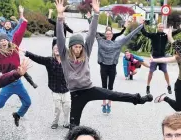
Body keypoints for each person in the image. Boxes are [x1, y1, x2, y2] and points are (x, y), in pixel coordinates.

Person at [55, 0, 153, 129]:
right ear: (71, 47)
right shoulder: (64, 55)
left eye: (80, 47)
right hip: (76, 94)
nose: (78, 49)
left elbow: (91, 35)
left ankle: (138, 99)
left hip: (89, 89)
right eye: (75, 47)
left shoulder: (86, 52)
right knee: (74, 126)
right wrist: (60, 17)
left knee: (112, 94)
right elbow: (60, 38)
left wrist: (96, 13)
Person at [0, 5, 38, 88]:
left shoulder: (13, 32)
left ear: (11, 25)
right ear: (4, 25)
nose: (8, 25)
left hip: (12, 53)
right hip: (3, 53)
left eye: (9, 24)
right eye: (6, 24)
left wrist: (21, 13)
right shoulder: (1, 31)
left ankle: (31, 82)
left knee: (19, 67)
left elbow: (20, 23)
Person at [96, 22, 143, 114]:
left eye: (110, 34)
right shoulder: (101, 41)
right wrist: (90, 18)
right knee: (104, 86)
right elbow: (93, 29)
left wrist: (141, 26)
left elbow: (130, 35)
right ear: (105, 35)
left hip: (112, 67)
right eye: (107, 34)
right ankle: (104, 103)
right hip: (103, 66)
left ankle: (109, 103)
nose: (108, 35)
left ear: (112, 35)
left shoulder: (118, 43)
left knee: (110, 86)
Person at [25, 45, 71, 129]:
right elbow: (38, 58)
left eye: (59, 48)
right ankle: (55, 122)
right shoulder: (49, 60)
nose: (57, 49)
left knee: (67, 107)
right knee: (57, 108)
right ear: (53, 51)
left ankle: (66, 123)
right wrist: (27, 53)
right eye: (55, 48)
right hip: (55, 90)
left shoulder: (67, 61)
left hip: (66, 89)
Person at [140, 21, 181, 94]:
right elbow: (145, 33)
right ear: (157, 28)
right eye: (159, 27)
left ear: (163, 28)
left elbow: (174, 33)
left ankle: (169, 86)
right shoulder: (154, 35)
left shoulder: (165, 35)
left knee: (165, 71)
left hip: (162, 57)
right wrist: (142, 25)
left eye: (162, 27)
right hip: (154, 57)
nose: (160, 28)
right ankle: (148, 86)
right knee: (151, 71)